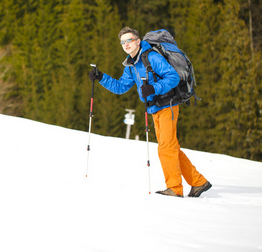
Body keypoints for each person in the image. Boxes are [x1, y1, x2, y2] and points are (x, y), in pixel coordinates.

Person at [89, 26, 211, 198]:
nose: (126, 44)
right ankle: (198, 182)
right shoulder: (131, 65)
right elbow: (121, 87)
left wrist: (153, 88)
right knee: (171, 147)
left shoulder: (151, 57)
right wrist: (101, 77)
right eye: (123, 42)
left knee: (165, 148)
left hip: (168, 105)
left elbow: (173, 77)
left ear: (138, 41)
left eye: (129, 40)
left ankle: (175, 188)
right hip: (155, 109)